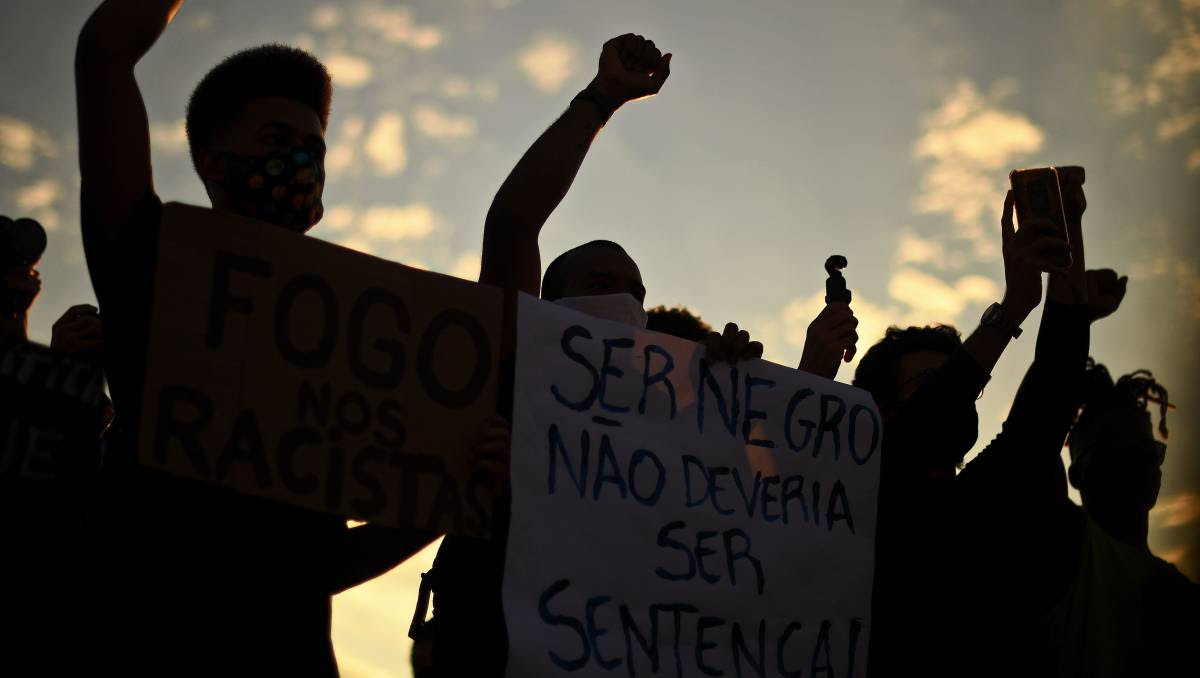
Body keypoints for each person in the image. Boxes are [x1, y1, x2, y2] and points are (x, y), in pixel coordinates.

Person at [73, 2, 449, 671]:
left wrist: (443, 505)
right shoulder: (156, 267)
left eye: (315, 147)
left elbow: (317, 567)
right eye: (279, 142)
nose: (304, 161)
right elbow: (105, 51)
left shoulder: (340, 345)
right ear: (216, 165)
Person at [424, 34, 763, 675]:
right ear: (545, 303)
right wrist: (602, 99)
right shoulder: (517, 367)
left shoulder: (673, 413)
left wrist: (736, 399)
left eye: (632, 289)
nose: (621, 296)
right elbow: (513, 224)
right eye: (598, 283)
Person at [852, 169, 1095, 676]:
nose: (959, 397)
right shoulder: (862, 510)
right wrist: (1013, 306)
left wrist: (1066, 244)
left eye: (964, 384)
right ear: (881, 411)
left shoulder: (980, 498)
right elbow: (925, 428)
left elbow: (1049, 398)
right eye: (926, 384)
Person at [1038, 361, 1199, 676]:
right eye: (1118, 450)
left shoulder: (1182, 595)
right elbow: (1032, 447)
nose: (1140, 461)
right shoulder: (1065, 546)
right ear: (1077, 475)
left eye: (1148, 450)